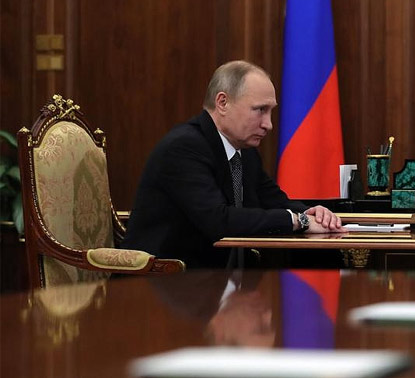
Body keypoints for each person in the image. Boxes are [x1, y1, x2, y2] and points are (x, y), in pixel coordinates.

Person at [121, 60, 345, 268]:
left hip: (224, 284)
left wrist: (311, 213)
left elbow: (274, 201)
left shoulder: (245, 153)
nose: (268, 124)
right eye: (260, 110)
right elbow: (218, 221)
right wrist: (298, 220)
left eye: (271, 111)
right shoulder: (183, 148)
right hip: (165, 282)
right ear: (223, 103)